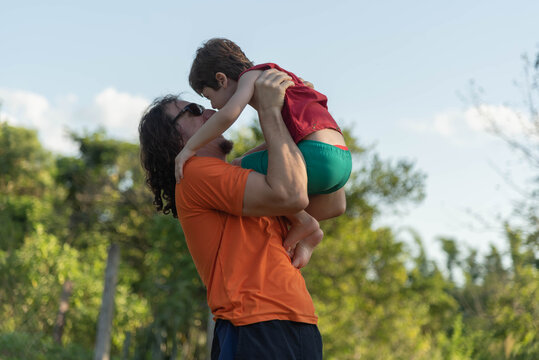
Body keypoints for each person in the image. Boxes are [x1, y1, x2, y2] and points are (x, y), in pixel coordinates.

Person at [139, 69, 323, 359]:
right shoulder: (194, 173)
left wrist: (304, 116)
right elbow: (292, 194)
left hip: (295, 322)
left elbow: (334, 203)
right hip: (254, 324)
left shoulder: (242, 175)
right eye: (194, 109)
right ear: (175, 138)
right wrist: (271, 109)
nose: (210, 111)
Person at [174, 38, 352, 265]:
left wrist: (189, 147)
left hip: (316, 155)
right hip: (340, 156)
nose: (214, 107)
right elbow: (285, 140)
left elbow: (229, 113)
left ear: (221, 79)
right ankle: (307, 230)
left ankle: (304, 222)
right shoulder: (281, 77)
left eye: (210, 97)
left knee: (238, 168)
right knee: (245, 161)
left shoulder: (253, 76)